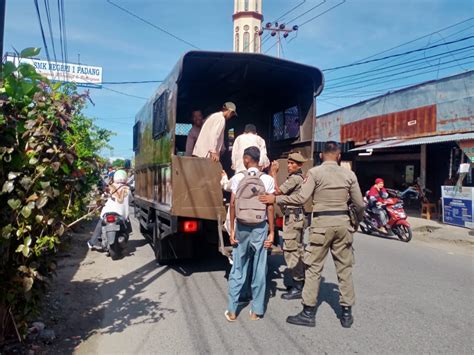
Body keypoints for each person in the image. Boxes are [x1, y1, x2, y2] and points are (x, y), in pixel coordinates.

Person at [259, 141, 365, 328]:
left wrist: (276, 198)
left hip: (322, 225)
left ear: (322, 155)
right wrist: (355, 221)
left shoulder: (315, 173)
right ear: (339, 156)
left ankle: (308, 313)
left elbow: (301, 198)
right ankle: (346, 314)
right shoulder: (350, 175)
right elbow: (360, 204)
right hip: (343, 224)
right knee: (344, 269)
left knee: (314, 268)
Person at [225, 146, 275, 322]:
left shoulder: (238, 178)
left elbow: (232, 204)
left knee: (238, 266)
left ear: (247, 159)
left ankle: (232, 310)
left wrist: (232, 230)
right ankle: (256, 311)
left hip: (242, 227)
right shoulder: (268, 179)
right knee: (260, 268)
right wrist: (271, 232)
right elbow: (270, 206)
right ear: (258, 160)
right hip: (260, 226)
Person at [270, 152, 307, 300]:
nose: (289, 166)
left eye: (293, 164)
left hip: (293, 218)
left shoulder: (294, 179)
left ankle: (298, 286)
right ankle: (300, 283)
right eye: (289, 163)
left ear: (300, 165)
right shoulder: (299, 178)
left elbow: (277, 192)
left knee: (292, 251)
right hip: (295, 216)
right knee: (297, 249)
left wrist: (273, 173)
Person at [87, 170, 131, 249]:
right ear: (125, 178)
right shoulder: (128, 189)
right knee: (127, 222)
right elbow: (131, 200)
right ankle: (125, 237)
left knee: (100, 223)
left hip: (107, 212)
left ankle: (92, 242)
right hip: (121, 214)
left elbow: (103, 197)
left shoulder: (110, 187)